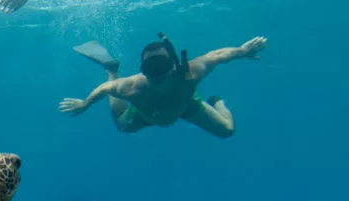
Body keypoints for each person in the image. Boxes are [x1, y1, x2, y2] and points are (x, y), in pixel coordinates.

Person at [58, 33, 268, 138]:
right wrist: (85, 103)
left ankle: (217, 102)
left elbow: (217, 55)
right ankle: (112, 68)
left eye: (162, 66)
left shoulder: (190, 73)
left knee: (228, 130)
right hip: (143, 113)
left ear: (173, 65)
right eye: (150, 68)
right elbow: (105, 88)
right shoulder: (132, 86)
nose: (157, 73)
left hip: (187, 105)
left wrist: (242, 51)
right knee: (121, 125)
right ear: (143, 70)